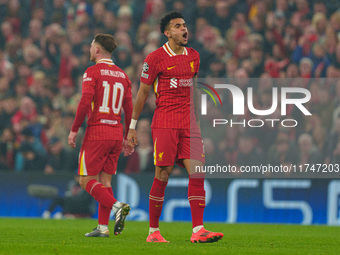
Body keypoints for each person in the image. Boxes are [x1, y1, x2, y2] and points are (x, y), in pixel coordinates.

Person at [127, 11, 223, 243]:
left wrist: (197, 118)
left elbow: (194, 89)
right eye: (178, 26)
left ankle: (198, 230)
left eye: (184, 25)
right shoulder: (155, 58)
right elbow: (142, 92)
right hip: (165, 122)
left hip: (189, 123)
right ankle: (153, 232)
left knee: (197, 171)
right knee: (163, 174)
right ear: (167, 33)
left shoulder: (194, 56)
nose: (184, 29)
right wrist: (132, 126)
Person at [68, 33, 133, 237]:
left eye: (91, 46)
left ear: (97, 50)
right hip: (116, 132)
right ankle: (103, 227)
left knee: (85, 181)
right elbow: (129, 105)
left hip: (97, 132)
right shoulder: (123, 75)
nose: (89, 49)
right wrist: (129, 134)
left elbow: (85, 100)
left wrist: (74, 128)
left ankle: (117, 206)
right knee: (105, 182)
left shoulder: (92, 72)